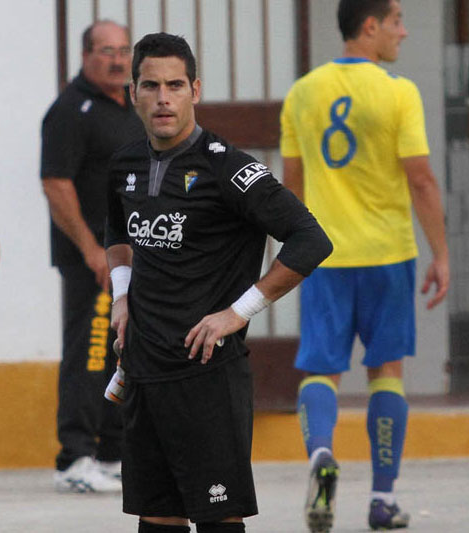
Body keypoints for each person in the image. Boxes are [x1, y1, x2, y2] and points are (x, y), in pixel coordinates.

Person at [105, 32, 332, 533]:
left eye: (175, 85)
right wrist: (122, 296)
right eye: (151, 86)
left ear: (195, 90)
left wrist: (239, 311)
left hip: (206, 378)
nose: (163, 98)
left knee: (217, 520)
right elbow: (117, 233)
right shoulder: (125, 164)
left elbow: (309, 240)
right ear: (133, 93)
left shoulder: (228, 167)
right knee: (158, 517)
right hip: (143, 370)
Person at [280, 0, 449, 530]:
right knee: (386, 374)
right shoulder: (399, 92)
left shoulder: (302, 92)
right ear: (369, 26)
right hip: (388, 255)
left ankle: (321, 458)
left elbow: (291, 185)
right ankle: (381, 498)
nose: (402, 32)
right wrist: (441, 253)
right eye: (396, 22)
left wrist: (293, 250)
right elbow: (420, 179)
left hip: (325, 257)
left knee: (320, 369)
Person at [40, 19, 145, 492]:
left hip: (130, 257)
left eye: (124, 50)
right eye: (107, 51)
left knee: (123, 352)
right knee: (88, 352)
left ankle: (112, 453)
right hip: (92, 263)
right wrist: (92, 249)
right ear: (85, 55)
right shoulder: (70, 109)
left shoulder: (130, 106)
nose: (118, 59)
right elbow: (55, 183)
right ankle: (74, 457)